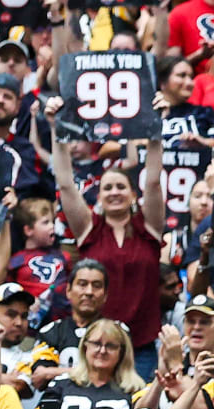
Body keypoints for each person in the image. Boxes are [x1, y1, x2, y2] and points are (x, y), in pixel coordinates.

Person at [48, 98, 165, 377]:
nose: (114, 192)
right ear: (98, 197)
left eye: (121, 187)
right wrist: (56, 128)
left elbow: (153, 180)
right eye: (108, 187)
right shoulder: (90, 228)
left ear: (133, 195)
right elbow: (65, 182)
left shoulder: (148, 228)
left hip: (143, 347)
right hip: (97, 345)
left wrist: (155, 127)